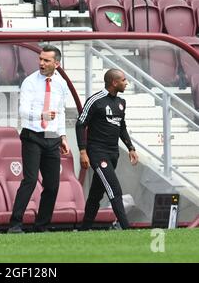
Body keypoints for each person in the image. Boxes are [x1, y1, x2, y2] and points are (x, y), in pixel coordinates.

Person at [8, 45, 70, 233]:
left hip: (52, 136)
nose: (41, 63)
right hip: (32, 134)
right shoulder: (29, 82)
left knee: (52, 185)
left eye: (46, 60)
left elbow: (60, 112)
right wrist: (41, 115)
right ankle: (15, 224)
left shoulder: (61, 84)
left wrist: (63, 136)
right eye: (40, 59)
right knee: (30, 180)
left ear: (56, 64)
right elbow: (23, 111)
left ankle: (41, 226)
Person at [76, 68, 139, 231]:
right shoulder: (95, 100)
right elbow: (80, 124)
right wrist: (83, 151)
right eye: (124, 80)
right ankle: (126, 228)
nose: (126, 83)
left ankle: (84, 229)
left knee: (96, 193)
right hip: (97, 152)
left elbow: (122, 127)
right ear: (114, 82)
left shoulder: (121, 102)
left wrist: (131, 148)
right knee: (114, 188)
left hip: (113, 153)